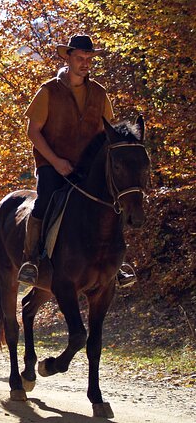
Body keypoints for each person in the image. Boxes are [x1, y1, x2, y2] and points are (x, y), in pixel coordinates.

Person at [18, 34, 136, 288]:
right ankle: (32, 260)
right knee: (45, 199)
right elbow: (33, 131)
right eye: (80, 58)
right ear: (69, 58)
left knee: (111, 202)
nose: (85, 63)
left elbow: (108, 133)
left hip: (88, 166)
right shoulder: (48, 90)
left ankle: (117, 264)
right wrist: (56, 161)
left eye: (89, 59)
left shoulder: (99, 93)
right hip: (52, 164)